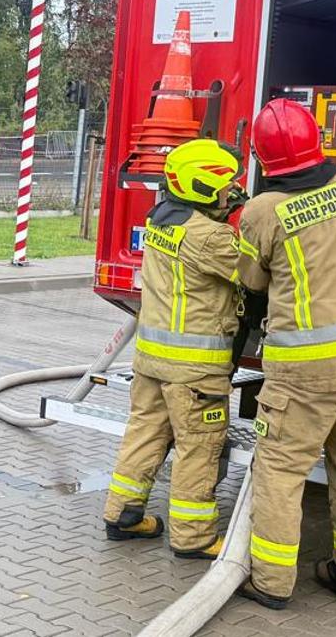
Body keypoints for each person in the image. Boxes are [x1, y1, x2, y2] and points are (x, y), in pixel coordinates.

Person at [235, 98, 336, 609]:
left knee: (280, 472)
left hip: (303, 373)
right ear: (318, 139)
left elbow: (252, 279)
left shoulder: (263, 211)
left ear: (262, 159)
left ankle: (272, 583)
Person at [101, 139, 244, 560]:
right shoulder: (211, 237)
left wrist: (223, 206)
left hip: (152, 361)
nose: (231, 190)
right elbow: (255, 275)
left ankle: (122, 514)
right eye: (225, 184)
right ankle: (194, 538)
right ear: (202, 187)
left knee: (145, 434)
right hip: (195, 370)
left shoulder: (162, 217)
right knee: (199, 448)